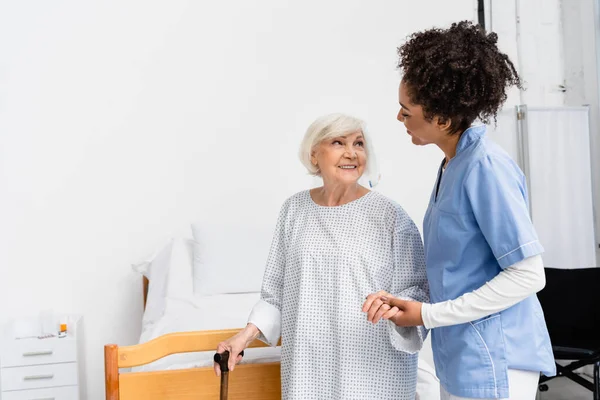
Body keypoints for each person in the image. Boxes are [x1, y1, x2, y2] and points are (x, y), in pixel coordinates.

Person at [363, 21, 556, 400]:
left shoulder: (485, 167)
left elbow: (528, 275)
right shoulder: (453, 165)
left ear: (442, 119)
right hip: (462, 354)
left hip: (497, 357)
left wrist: (428, 314)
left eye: (406, 111)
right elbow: (460, 271)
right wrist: (413, 305)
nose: (399, 119)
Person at [214, 113, 429, 399]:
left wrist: (395, 306)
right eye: (339, 142)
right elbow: (276, 293)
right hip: (307, 362)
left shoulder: (390, 216)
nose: (351, 153)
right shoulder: (294, 210)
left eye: (359, 144)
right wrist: (243, 337)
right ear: (314, 155)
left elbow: (417, 291)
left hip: (372, 364)